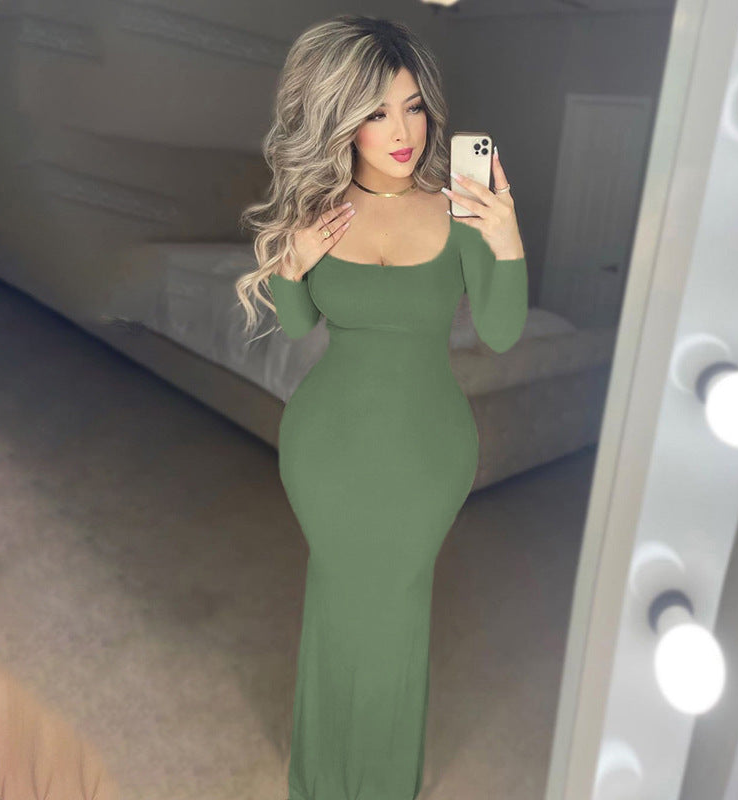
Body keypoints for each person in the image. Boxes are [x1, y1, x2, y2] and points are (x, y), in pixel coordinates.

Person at [235, 14, 527, 800]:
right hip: (326, 449)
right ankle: (319, 778)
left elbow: (501, 332)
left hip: (428, 453)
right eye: (376, 112)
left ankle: (384, 782)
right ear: (342, 120)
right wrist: (292, 266)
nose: (402, 131)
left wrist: (506, 239)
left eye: (413, 106)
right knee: (335, 600)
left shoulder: (463, 211)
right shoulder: (322, 210)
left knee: (398, 606)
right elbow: (297, 325)